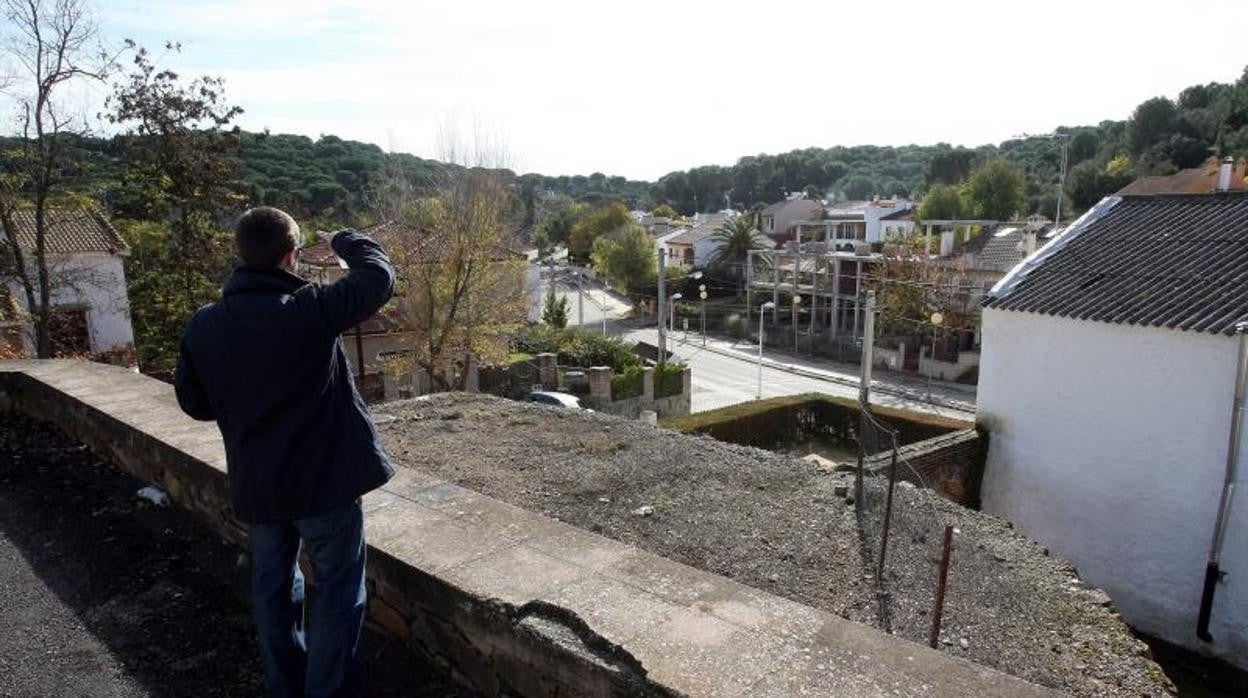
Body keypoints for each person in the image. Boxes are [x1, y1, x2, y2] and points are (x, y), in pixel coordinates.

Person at [174, 206, 396, 697]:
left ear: (242, 255)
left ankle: (285, 685)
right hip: (323, 486)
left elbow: (194, 402)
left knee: (272, 589)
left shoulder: (204, 325)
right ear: (291, 255)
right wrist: (345, 239)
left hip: (259, 486)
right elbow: (378, 277)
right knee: (338, 591)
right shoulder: (307, 310)